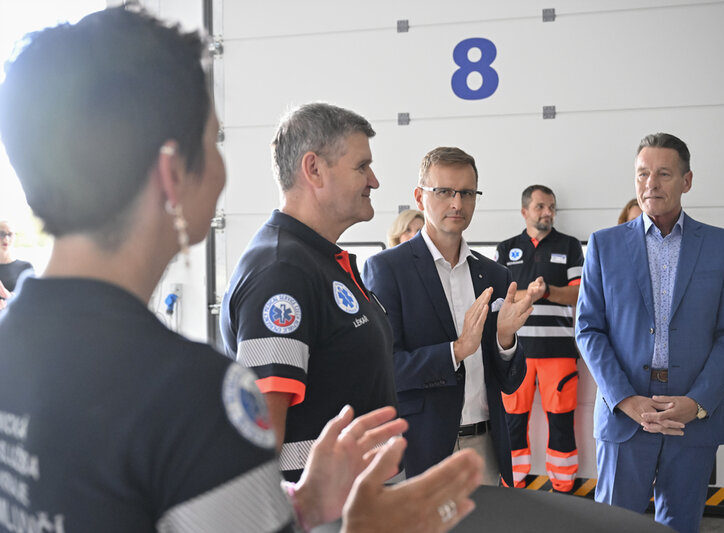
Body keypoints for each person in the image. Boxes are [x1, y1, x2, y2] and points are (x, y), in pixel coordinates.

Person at [0, 8, 483, 532]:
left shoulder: (16, 347)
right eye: (214, 142)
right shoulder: (193, 396)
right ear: (172, 172)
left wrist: (301, 507)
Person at [575, 133, 724, 533]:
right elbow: (588, 329)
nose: (650, 183)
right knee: (613, 524)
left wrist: (698, 402)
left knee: (680, 526)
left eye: (664, 174)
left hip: (692, 415)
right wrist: (624, 398)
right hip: (625, 414)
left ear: (687, 181)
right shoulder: (604, 245)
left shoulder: (722, 245)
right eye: (642, 173)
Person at [220, 103, 397, 482]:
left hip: (359, 500)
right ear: (314, 169)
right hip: (320, 508)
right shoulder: (282, 272)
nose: (374, 181)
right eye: (361, 167)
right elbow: (260, 441)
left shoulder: (317, 262)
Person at [363, 146, 534, 487]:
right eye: (444, 191)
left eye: (467, 193)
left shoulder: (495, 275)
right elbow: (384, 371)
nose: (457, 203)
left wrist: (505, 341)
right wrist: (455, 351)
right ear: (420, 197)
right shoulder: (387, 269)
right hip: (419, 448)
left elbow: (510, 382)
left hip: (485, 448)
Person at [495, 185, 584, 491]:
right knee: (512, 422)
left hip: (558, 352)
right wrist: (531, 294)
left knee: (561, 422)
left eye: (552, 207)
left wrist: (546, 292)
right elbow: (499, 297)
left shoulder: (570, 246)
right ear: (525, 211)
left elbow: (579, 294)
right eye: (541, 206)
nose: (548, 212)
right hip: (513, 353)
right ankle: (511, 486)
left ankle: (563, 488)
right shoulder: (506, 248)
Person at [0, 220, 33, 310]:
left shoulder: (25, 268)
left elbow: (33, 301)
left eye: (10, 234)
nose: (6, 239)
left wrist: (10, 297)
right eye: (1, 234)